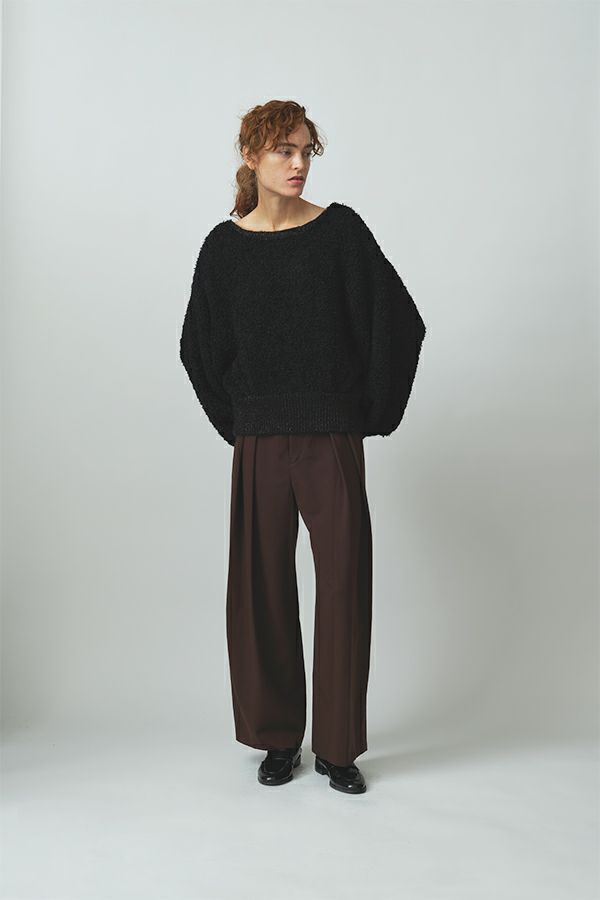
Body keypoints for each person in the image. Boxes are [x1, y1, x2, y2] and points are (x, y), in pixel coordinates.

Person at [179, 99, 426, 795]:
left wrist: (367, 415)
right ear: (250, 155)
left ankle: (339, 747)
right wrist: (240, 423)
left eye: (305, 150)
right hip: (259, 439)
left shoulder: (340, 232)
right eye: (283, 150)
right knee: (260, 589)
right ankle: (278, 738)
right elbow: (198, 348)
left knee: (344, 584)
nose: (297, 164)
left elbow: (399, 321)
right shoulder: (223, 249)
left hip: (330, 435)